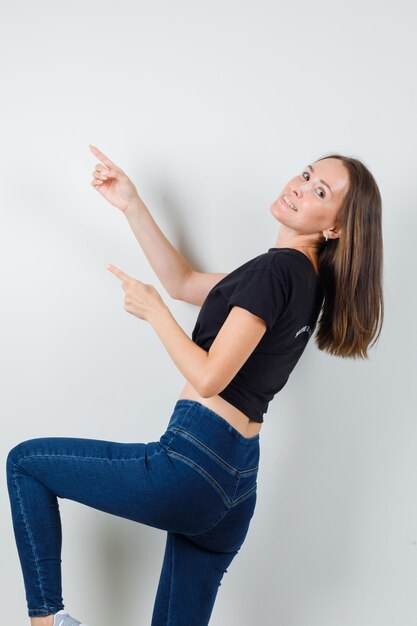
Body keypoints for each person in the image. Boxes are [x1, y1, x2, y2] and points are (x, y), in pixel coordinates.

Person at [6, 146, 384, 626]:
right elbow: (182, 281)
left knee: (26, 464)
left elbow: (209, 377)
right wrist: (131, 205)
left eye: (320, 191)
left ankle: (45, 621)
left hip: (193, 465)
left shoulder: (276, 272)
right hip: (236, 488)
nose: (299, 186)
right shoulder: (302, 281)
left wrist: (154, 313)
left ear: (334, 227)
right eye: (307, 174)